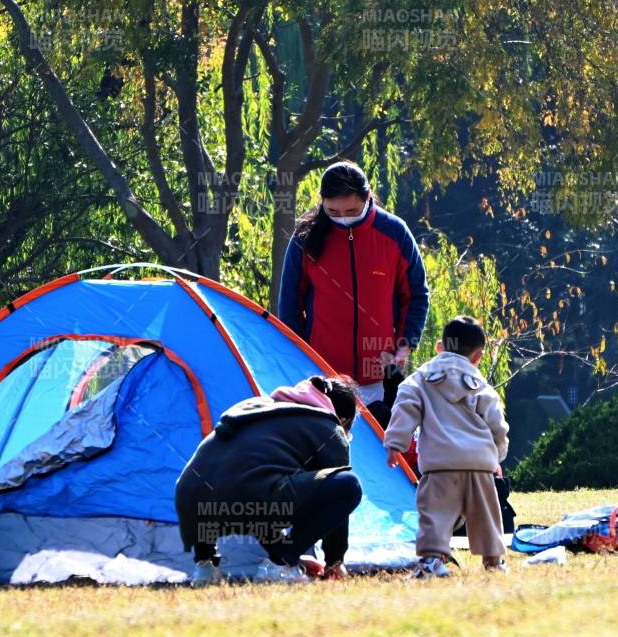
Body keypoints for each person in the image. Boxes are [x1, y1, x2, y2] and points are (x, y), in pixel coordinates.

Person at [175, 375, 363, 585]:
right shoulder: (328, 426)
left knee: (247, 486)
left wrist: (290, 551)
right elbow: (336, 491)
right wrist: (334, 559)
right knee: (348, 484)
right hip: (252, 498)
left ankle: (205, 566)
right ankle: (280, 565)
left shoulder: (254, 407)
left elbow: (250, 486)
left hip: (190, 500)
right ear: (344, 419)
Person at [277, 161, 429, 411]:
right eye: (333, 212)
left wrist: (405, 345)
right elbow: (289, 304)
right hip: (323, 378)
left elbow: (415, 295)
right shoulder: (305, 237)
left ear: (367, 197)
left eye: (352, 210)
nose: (343, 218)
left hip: (380, 378)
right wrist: (302, 357)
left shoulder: (394, 232)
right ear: (322, 202)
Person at [383, 316, 511, 576]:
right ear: (477, 357)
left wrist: (396, 442)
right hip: (478, 464)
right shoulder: (481, 386)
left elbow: (405, 406)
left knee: (435, 515)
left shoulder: (420, 379)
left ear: (440, 347)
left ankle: (432, 560)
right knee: (486, 516)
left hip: (440, 465)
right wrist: (497, 455)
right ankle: (494, 561)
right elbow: (497, 425)